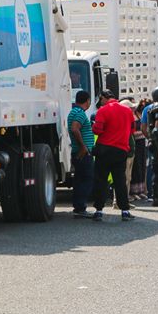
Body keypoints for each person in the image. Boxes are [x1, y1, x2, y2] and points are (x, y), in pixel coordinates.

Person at [90, 90, 136, 221]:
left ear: (104, 98)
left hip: (104, 150)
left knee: (101, 180)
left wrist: (93, 127)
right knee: (120, 181)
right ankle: (125, 211)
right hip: (121, 150)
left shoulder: (103, 111)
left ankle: (99, 210)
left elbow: (98, 130)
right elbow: (132, 130)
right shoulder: (127, 111)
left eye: (101, 99)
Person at [68, 90, 95, 218]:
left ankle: (78, 207)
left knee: (79, 179)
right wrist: (83, 147)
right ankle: (80, 206)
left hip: (77, 151)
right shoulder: (80, 113)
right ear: (87, 101)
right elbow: (75, 128)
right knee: (87, 178)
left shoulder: (74, 111)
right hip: (82, 153)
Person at [130, 101, 149, 199]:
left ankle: (140, 190)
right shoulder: (132, 116)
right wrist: (142, 133)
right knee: (135, 168)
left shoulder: (139, 115)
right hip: (136, 143)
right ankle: (133, 191)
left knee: (142, 166)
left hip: (142, 144)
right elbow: (132, 132)